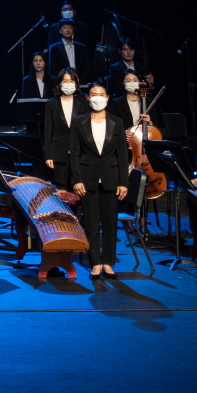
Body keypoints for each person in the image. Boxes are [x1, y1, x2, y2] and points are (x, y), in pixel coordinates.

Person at [70, 82, 131, 278]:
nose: (97, 97)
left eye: (101, 94)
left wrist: (123, 182)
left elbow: (122, 154)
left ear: (107, 97)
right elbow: (74, 154)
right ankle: (95, 262)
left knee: (110, 223)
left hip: (111, 178)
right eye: (93, 94)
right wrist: (77, 179)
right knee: (92, 223)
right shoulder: (79, 122)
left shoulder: (117, 122)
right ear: (88, 98)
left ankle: (108, 262)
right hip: (87, 180)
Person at [41, 69, 86, 186]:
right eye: (65, 81)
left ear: (76, 83)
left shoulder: (83, 103)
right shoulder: (51, 104)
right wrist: (49, 155)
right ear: (59, 83)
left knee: (78, 187)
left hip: (79, 152)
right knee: (61, 189)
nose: (68, 84)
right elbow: (48, 130)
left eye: (71, 81)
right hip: (59, 152)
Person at [13, 52, 53, 129]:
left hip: (49, 116)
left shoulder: (53, 80)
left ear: (45, 63)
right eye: (35, 61)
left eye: (41, 61)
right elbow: (25, 99)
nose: (38, 63)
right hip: (33, 118)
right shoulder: (27, 80)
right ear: (32, 63)